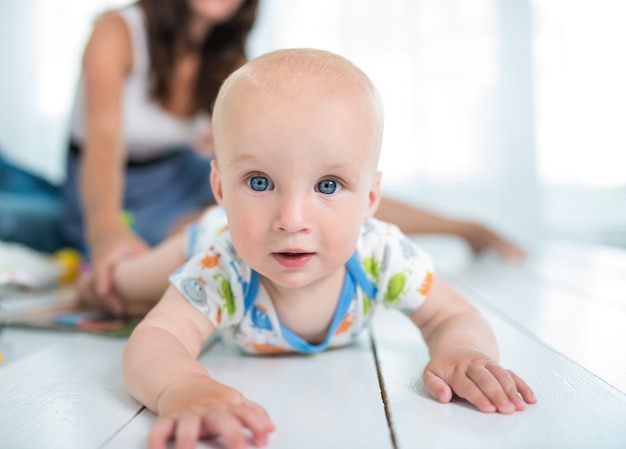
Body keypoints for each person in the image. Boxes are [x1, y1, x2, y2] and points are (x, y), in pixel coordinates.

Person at [117, 49, 536, 449]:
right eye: (260, 182)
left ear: (370, 199)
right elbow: (157, 337)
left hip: (243, 233)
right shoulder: (220, 265)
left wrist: (462, 350)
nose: (293, 219)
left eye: (328, 186)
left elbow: (453, 314)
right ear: (222, 189)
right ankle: (106, 272)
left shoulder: (380, 255)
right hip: (205, 236)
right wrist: (182, 384)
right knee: (125, 287)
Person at [1, 0, 523, 312]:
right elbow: (104, 141)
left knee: (320, 187)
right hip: (107, 182)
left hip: (183, 173)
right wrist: (106, 227)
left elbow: (274, 149)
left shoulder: (228, 58)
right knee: (191, 250)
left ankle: (463, 226)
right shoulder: (117, 30)